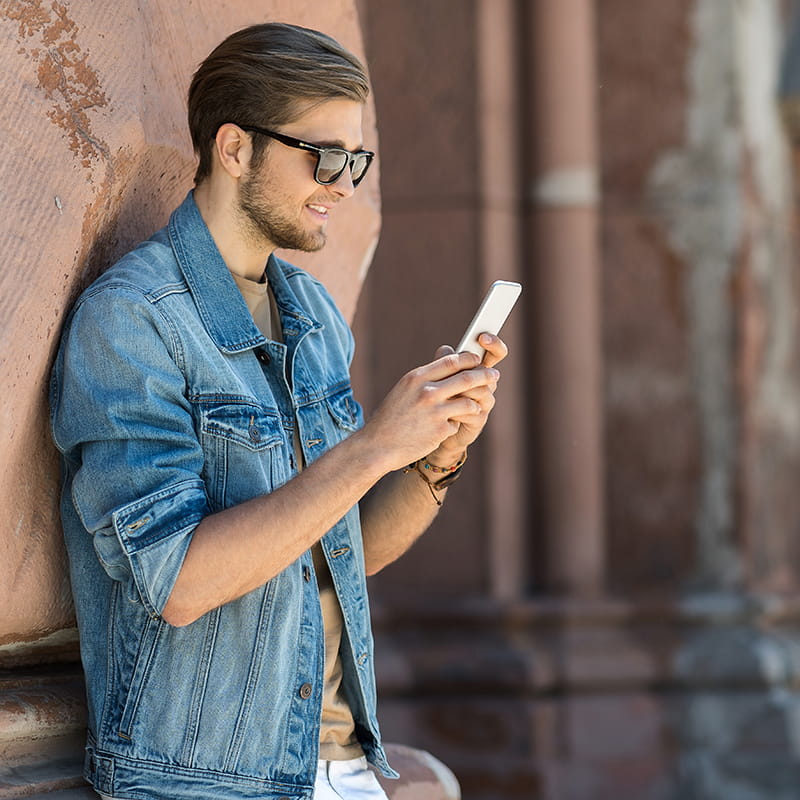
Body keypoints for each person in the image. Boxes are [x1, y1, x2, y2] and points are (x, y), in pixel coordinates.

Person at [49, 22, 506, 800]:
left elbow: (343, 548)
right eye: (324, 157)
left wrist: (432, 453)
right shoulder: (133, 321)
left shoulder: (314, 316)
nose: (344, 185)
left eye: (357, 160)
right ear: (234, 149)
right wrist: (371, 449)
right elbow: (178, 582)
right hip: (207, 781)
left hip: (343, 765)